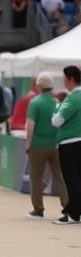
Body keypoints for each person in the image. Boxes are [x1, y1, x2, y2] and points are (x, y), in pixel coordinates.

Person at [25, 72, 69, 219]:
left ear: (39, 85)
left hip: (38, 144)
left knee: (36, 178)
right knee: (60, 177)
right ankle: (68, 206)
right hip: (55, 144)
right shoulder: (57, 102)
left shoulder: (35, 102)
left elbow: (30, 125)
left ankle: (38, 209)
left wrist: (28, 143)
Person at [52, 65, 81, 225]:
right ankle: (77, 212)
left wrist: (56, 109)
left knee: (72, 180)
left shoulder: (73, 98)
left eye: (64, 78)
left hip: (70, 143)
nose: (63, 81)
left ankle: (74, 214)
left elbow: (56, 121)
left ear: (70, 78)